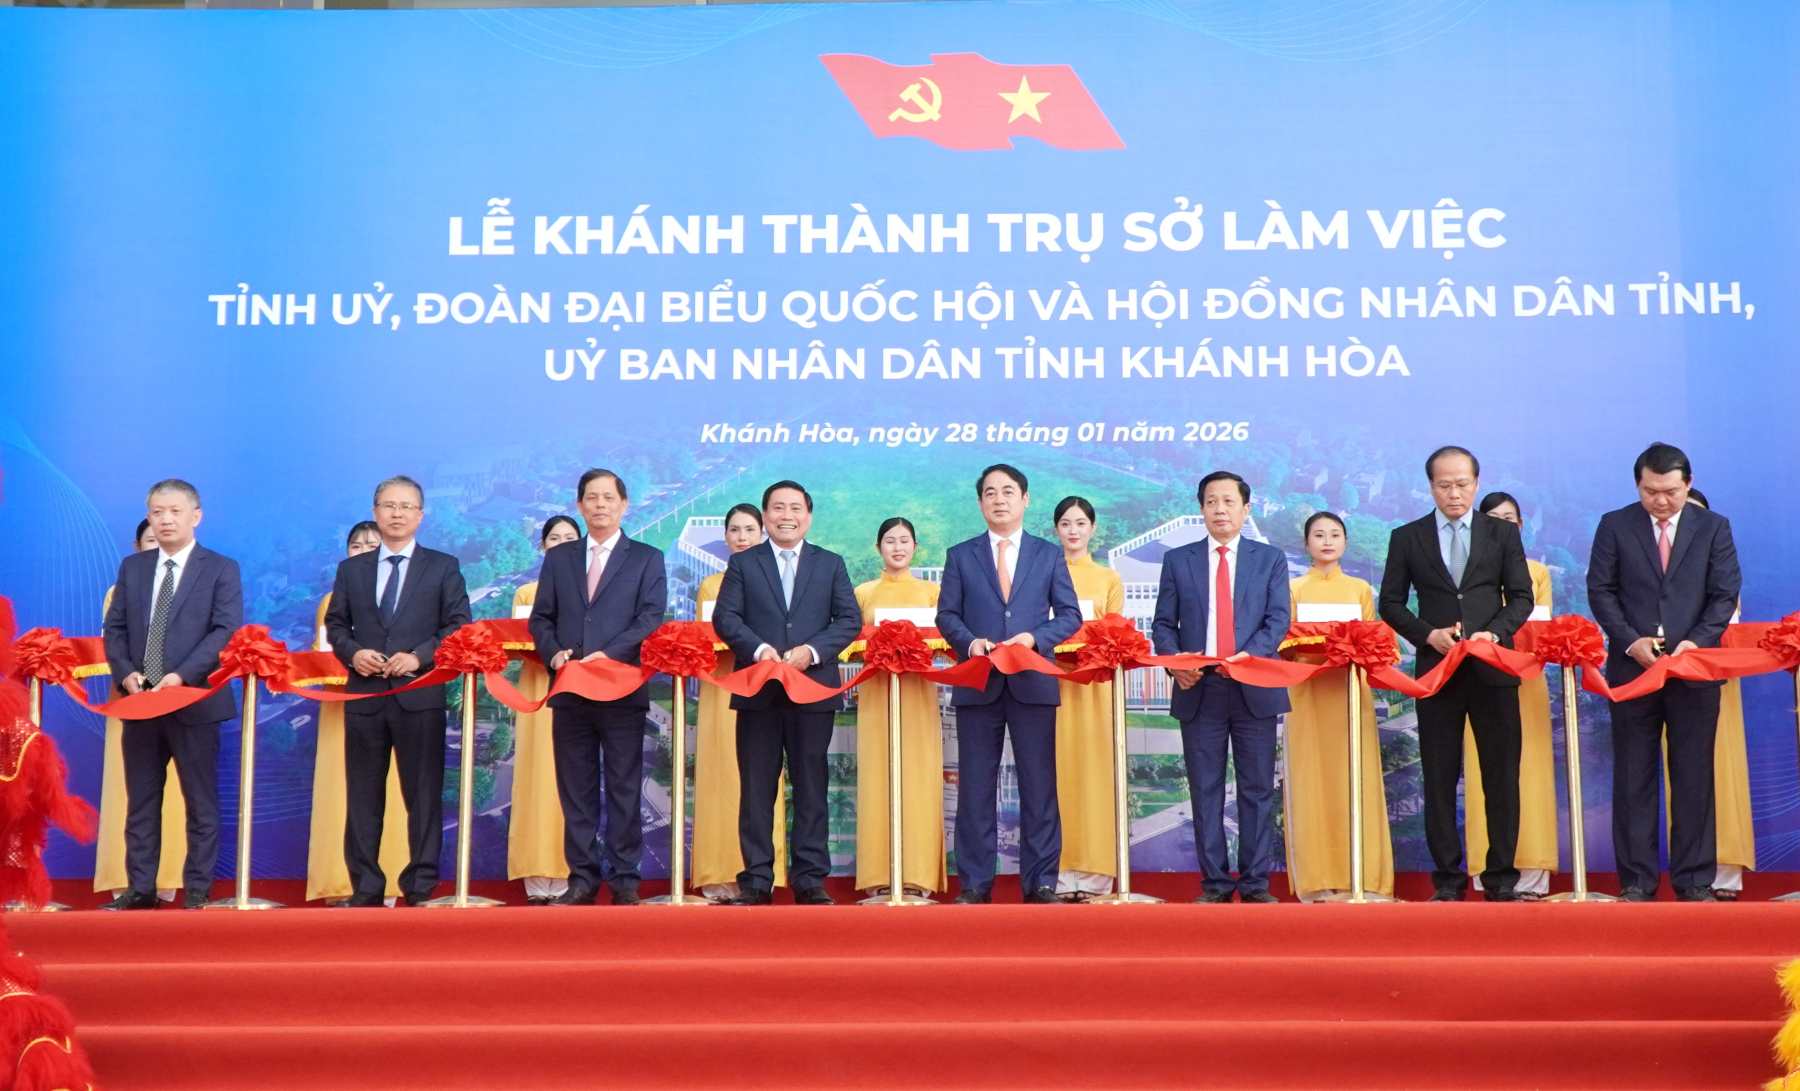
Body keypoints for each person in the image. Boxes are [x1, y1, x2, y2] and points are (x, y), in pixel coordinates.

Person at [1589, 443, 1739, 901]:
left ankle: (1694, 880)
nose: (1661, 501)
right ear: (1639, 485)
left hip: (1693, 668)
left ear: (1687, 484)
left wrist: (1697, 641)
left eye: (1671, 491)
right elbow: (1601, 590)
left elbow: (1724, 592)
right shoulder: (1615, 525)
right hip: (1633, 668)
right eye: (1651, 491)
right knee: (1634, 775)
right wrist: (1630, 640)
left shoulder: (1713, 527)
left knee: (1693, 775)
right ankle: (1637, 881)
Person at [937, 464, 1082, 904]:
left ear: (1026, 499)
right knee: (976, 788)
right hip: (979, 681)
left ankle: (1040, 883)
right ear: (980, 502)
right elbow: (947, 616)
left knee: (1039, 786)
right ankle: (976, 885)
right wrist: (969, 642)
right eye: (990, 493)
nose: (999, 499)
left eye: (1008, 492)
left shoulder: (1046, 554)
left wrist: (1035, 638)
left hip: (1032, 681)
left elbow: (1071, 615)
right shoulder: (961, 555)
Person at [325, 475, 472, 907]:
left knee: (423, 795)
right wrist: (354, 654)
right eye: (389, 506)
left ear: (421, 516)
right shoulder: (352, 569)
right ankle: (366, 887)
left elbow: (458, 624)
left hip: (419, 695)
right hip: (366, 697)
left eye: (406, 506)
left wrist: (420, 656)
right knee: (364, 796)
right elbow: (336, 625)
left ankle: (421, 885)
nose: (397, 513)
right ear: (375, 512)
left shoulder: (443, 566)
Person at [714, 480, 861, 905]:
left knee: (811, 785)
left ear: (808, 516)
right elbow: (727, 617)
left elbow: (848, 620)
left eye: (795, 507)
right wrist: (761, 650)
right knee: (757, 788)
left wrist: (811, 652)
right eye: (778, 508)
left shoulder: (830, 563)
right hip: (758, 689)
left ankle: (810, 879)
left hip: (812, 689)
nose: (786, 515)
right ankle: (757, 881)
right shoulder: (744, 563)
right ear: (765, 516)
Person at [101, 480, 243, 910]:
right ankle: (141, 888)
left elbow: (225, 630)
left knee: (200, 801)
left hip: (194, 701)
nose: (165, 519)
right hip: (141, 702)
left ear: (195, 515)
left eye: (174, 511)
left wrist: (181, 676)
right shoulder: (134, 568)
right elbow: (117, 629)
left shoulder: (221, 568)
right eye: (157, 512)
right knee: (141, 800)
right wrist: (126, 674)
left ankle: (198, 889)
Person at [527, 469, 667, 906]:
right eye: (592, 497)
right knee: (577, 786)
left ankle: (625, 878)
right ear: (581, 505)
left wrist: (609, 653)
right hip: (570, 688)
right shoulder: (561, 558)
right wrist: (553, 653)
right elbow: (541, 618)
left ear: (625, 505)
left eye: (609, 497)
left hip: (621, 687)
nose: (600, 504)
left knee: (625, 784)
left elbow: (650, 617)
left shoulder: (646, 557)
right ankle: (583, 876)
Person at [1152, 471, 1292, 904]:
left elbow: (1277, 620)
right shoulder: (1179, 560)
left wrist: (1247, 659)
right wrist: (1178, 666)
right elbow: (1162, 624)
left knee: (1256, 789)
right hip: (1200, 688)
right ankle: (1213, 884)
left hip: (1252, 686)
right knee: (1205, 788)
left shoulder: (1269, 559)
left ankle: (1254, 884)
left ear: (1245, 509)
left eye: (1229, 501)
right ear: (1201, 509)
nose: (1220, 510)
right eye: (1211, 502)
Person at [1281, 511, 1394, 901]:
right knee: (1311, 779)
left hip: (1351, 697)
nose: (1327, 541)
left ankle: (1364, 877)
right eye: (1318, 535)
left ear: (1345, 542)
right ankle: (1316, 880)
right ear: (1306, 543)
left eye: (1334, 534)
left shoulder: (1360, 589)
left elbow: (1374, 642)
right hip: (1307, 697)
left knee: (1355, 778)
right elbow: (1284, 641)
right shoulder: (1292, 588)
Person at [305, 521, 410, 904]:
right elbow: (325, 651)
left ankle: (394, 882)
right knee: (347, 793)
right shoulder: (334, 599)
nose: (365, 550)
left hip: (399, 703)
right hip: (344, 710)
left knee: (394, 796)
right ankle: (341, 883)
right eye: (357, 545)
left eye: (373, 544)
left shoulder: (405, 589)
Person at [1461, 492, 1559, 900]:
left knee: (1529, 773)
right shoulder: (1466, 571)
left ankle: (1534, 871)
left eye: (1511, 519)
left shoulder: (1537, 572)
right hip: (1479, 679)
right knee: (1487, 775)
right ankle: (1487, 869)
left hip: (1527, 679)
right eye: (1494, 518)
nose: (1504, 525)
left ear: (1522, 525)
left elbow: (1544, 628)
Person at [691, 504, 788, 901]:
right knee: (720, 772)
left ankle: (763, 873)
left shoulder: (773, 578)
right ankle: (717, 874)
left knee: (760, 782)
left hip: (762, 685)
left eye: (750, 529)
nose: (743, 536)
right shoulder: (711, 586)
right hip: (720, 686)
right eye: (735, 530)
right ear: (726, 536)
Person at [93, 518, 188, 903]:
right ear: (137, 547)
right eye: (149, 541)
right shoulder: (123, 587)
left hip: (182, 701)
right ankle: (133, 882)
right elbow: (111, 639)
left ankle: (174, 880)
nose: (157, 546)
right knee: (134, 795)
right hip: (132, 701)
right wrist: (130, 675)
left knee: (183, 797)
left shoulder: (196, 579)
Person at [853, 516, 948, 897]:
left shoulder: (932, 593)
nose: (897, 547)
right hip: (876, 695)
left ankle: (918, 876)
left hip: (919, 694)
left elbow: (944, 640)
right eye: (889, 541)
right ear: (878, 548)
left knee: (919, 777)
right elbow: (852, 642)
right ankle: (880, 876)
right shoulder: (863, 593)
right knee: (878, 777)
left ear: (915, 547)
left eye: (904, 540)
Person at [1676, 488, 1755, 900]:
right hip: (1665, 673)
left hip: (1715, 674)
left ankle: (1724, 867)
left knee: (1716, 771)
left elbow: (1727, 609)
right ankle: (1685, 868)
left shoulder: (1722, 567)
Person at [1049, 497, 1124, 900]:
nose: (1073, 530)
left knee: (1095, 775)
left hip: (1095, 690)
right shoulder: (1044, 572)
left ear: (1093, 528)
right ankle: (1058, 873)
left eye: (1080, 523)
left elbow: (1116, 635)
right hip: (1055, 685)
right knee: (1056, 775)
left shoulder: (1108, 578)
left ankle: (1096, 874)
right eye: (1065, 523)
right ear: (1056, 529)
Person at [507, 515, 580, 905]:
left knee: (576, 780)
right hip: (537, 689)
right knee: (538, 777)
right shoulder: (526, 593)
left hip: (580, 688)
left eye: (571, 538)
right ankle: (536, 874)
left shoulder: (592, 593)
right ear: (542, 547)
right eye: (555, 538)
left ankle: (573, 872)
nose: (563, 544)